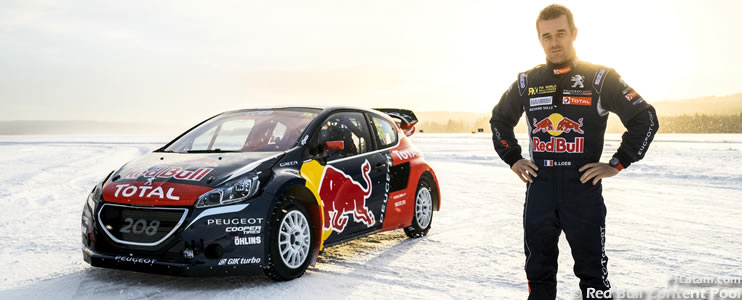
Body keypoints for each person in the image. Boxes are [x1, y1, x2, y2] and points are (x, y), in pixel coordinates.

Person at [489, 4, 659, 299]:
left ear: (574, 34)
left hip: (582, 191)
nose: (554, 42)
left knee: (593, 275)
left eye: (560, 33)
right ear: (539, 39)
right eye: (546, 36)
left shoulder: (600, 79)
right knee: (538, 272)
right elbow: (499, 121)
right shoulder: (527, 82)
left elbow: (646, 118)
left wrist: (618, 163)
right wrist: (513, 158)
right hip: (540, 191)